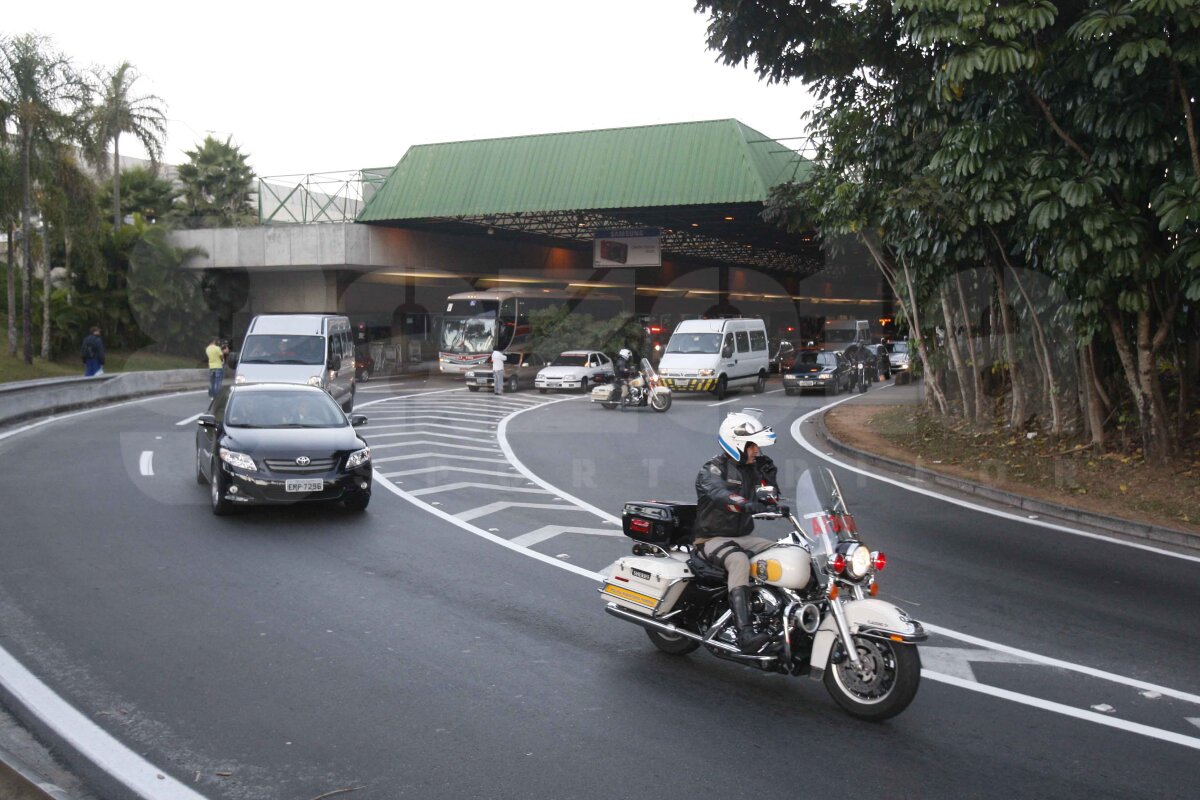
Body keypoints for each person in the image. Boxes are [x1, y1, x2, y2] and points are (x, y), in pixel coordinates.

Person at [693, 409, 781, 654]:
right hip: (711, 538)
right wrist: (747, 503)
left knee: (786, 551)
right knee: (739, 561)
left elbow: (770, 497)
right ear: (737, 444)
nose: (758, 451)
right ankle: (745, 634)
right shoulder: (712, 469)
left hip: (743, 536)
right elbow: (722, 495)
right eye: (753, 446)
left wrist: (770, 481)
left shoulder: (755, 468)